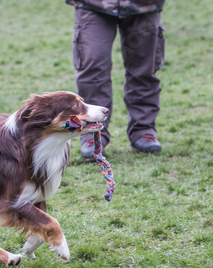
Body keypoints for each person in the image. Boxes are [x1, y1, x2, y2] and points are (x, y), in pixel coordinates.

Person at [66, 0, 166, 159]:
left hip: (145, 5)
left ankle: (143, 130)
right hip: (93, 5)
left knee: (144, 70)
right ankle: (93, 134)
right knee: (92, 69)